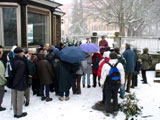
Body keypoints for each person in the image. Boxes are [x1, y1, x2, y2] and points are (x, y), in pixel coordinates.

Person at [101, 52, 125, 116]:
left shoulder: (106, 65)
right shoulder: (120, 65)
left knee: (108, 97)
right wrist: (122, 83)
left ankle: (107, 111)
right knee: (115, 96)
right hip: (116, 83)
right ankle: (115, 110)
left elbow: (103, 75)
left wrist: (101, 83)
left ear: (110, 57)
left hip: (108, 83)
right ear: (116, 57)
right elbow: (122, 74)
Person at [12, 47, 28, 118]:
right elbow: (20, 74)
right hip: (19, 82)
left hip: (13, 82)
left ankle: (15, 112)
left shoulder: (12, 60)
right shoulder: (21, 62)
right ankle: (19, 113)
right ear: (20, 53)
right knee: (20, 98)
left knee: (14, 98)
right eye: (22, 52)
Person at [0, 45, 7, 111]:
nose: (1, 53)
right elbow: (1, 75)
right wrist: (5, 81)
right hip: (0, 82)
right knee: (1, 94)